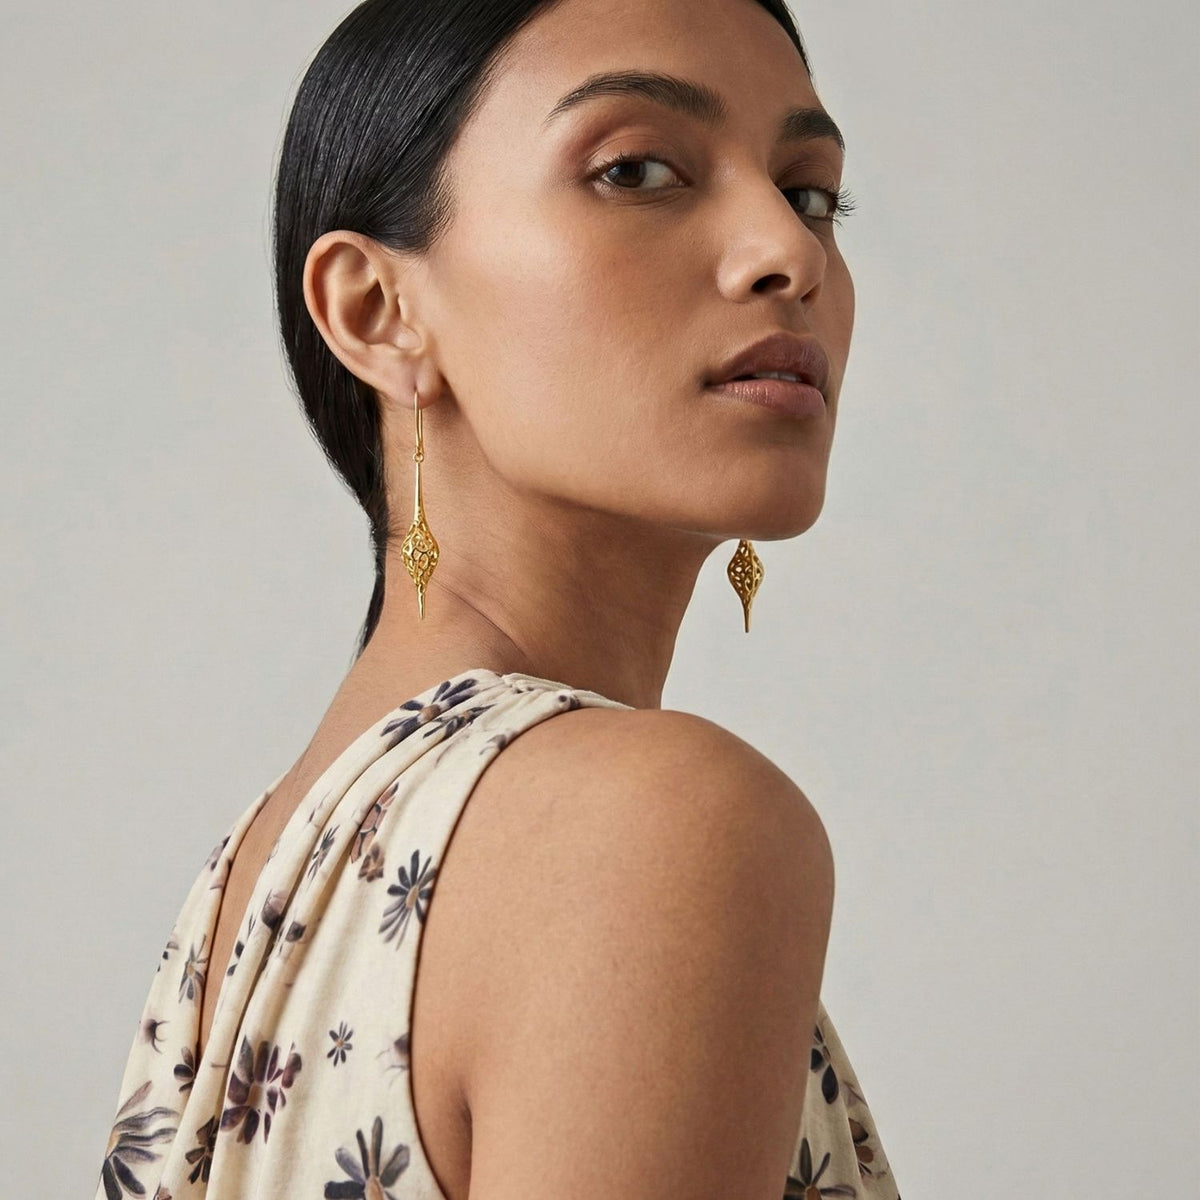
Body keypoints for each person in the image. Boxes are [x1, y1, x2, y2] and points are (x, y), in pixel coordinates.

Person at [94, 0, 901, 1197]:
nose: (788, 250)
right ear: (378, 309)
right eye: (638, 170)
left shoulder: (253, 887)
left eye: (811, 192)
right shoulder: (651, 826)